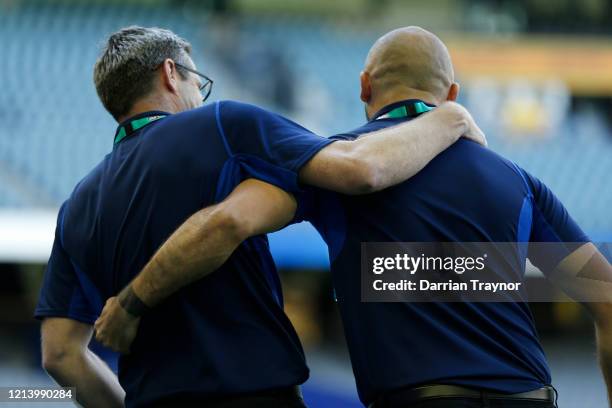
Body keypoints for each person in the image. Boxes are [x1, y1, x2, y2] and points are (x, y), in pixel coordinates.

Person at [95, 26, 612, 408]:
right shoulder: (519, 180)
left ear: (364, 87)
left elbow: (226, 223)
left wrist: (131, 303)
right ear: (451, 95)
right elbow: (604, 297)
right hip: (531, 397)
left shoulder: (326, 166)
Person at [35, 26, 485, 408]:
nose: (200, 94)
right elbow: (359, 169)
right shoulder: (218, 126)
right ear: (171, 73)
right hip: (254, 391)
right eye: (198, 81)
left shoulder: (78, 204)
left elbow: (59, 355)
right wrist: (450, 119)